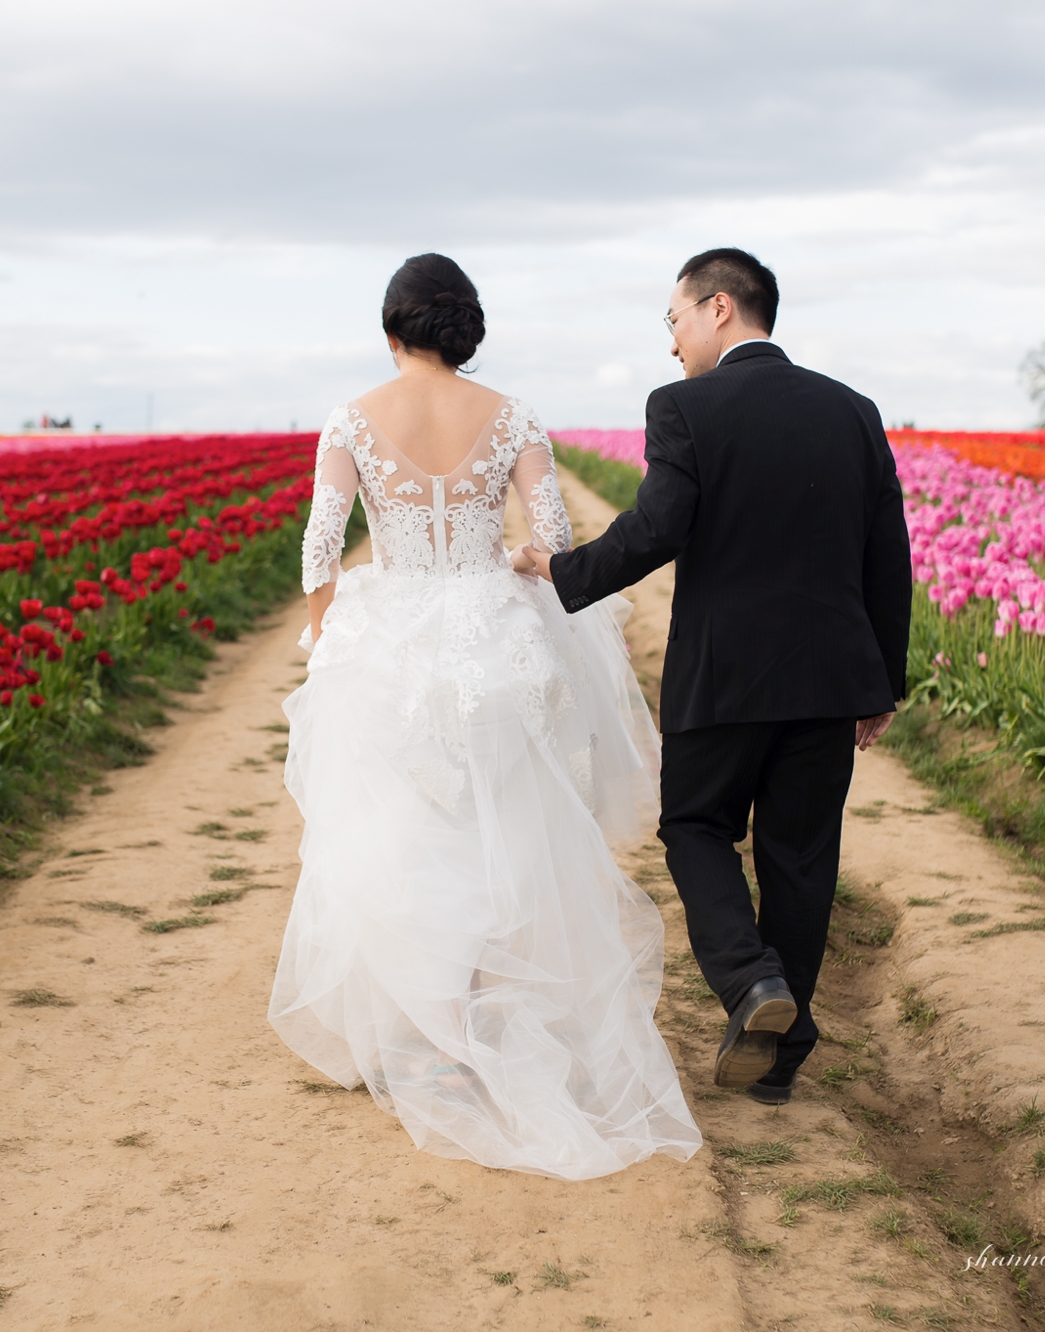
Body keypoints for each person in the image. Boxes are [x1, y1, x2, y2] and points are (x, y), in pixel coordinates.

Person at [271, 254, 701, 1180]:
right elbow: (551, 538)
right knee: (495, 828)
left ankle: (427, 1037)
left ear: (392, 329)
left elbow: (320, 544)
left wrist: (326, 635)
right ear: (464, 330)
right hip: (491, 636)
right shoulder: (511, 416)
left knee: (403, 832)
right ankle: (477, 1015)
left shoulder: (352, 417)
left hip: (392, 638)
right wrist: (506, 566)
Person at [514, 248, 912, 1107]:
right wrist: (883, 679)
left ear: (719, 307)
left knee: (696, 827)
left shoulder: (685, 407)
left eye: (674, 320)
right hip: (830, 680)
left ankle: (751, 984)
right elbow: (889, 550)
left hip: (723, 677)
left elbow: (657, 527)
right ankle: (780, 1059)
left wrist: (560, 568)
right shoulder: (853, 411)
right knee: (801, 860)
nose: (671, 342)